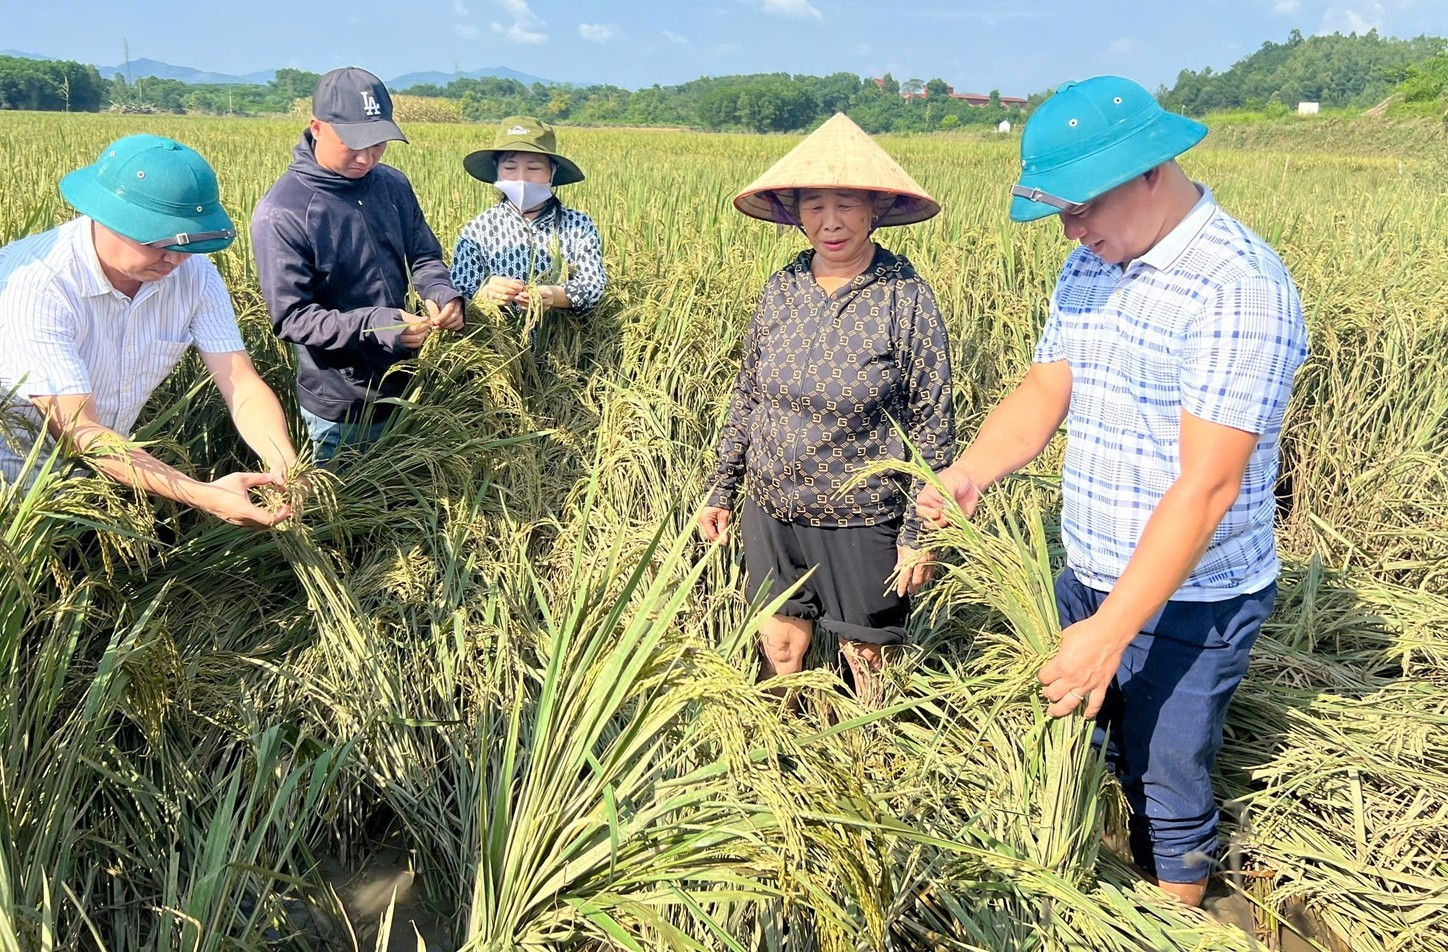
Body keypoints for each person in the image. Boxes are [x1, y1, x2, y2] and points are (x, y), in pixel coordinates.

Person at [916, 76, 1308, 907]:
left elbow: (1207, 488)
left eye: (1083, 206)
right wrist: (971, 472)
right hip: (1089, 565)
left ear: (1152, 172)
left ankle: (1172, 914)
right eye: (1060, 213)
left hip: (1192, 597)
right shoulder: (1090, 265)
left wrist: (1109, 632)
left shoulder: (1237, 288)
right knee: (1095, 748)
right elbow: (1044, 389)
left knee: (1167, 773)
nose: (1074, 229)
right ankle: (1100, 877)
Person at [700, 113, 954, 697]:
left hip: (863, 512)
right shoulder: (781, 287)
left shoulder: (905, 297)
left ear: (874, 210)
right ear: (796, 213)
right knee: (779, 642)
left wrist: (921, 528)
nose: (830, 222)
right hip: (772, 504)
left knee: (868, 655)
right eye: (814, 205)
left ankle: (865, 767)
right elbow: (749, 394)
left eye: (846, 204)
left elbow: (933, 423)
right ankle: (775, 760)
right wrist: (722, 487)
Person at [0, 134, 300, 528]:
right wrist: (204, 495)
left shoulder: (194, 275)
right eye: (159, 242)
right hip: (14, 486)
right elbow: (81, 429)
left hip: (102, 480)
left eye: (188, 244)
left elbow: (240, 382)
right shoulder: (38, 283)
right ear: (107, 216)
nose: (174, 259)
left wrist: (285, 463)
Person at [250, 66, 464, 463]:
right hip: (340, 406)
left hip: (405, 388)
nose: (367, 158)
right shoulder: (284, 212)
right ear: (317, 127)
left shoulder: (393, 185)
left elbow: (423, 254)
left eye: (378, 144)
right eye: (354, 144)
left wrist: (443, 294)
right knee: (346, 517)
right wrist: (377, 325)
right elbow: (292, 318)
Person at [451, 115, 606, 341]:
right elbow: (458, 294)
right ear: (497, 170)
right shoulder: (477, 231)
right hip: (498, 351)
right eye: (510, 167)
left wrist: (555, 295)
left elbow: (594, 285)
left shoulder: (578, 226)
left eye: (533, 168)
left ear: (552, 172)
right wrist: (485, 293)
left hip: (564, 354)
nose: (521, 179)